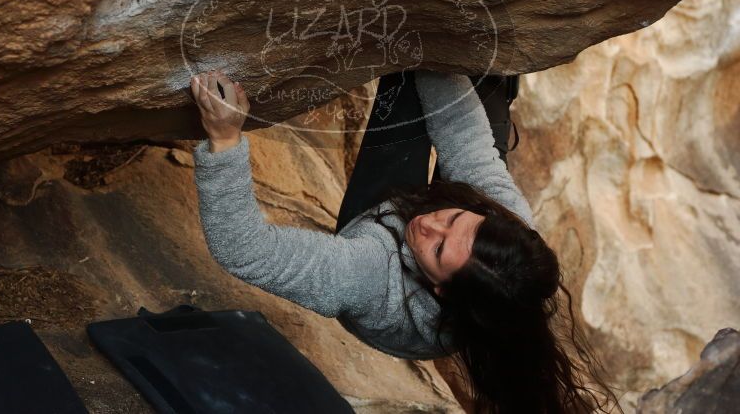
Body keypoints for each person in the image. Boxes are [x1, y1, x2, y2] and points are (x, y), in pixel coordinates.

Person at [189, 68, 620, 414]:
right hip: (470, 273)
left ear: (440, 288)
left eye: (437, 248)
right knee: (474, 81)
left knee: (406, 98)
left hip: (382, 251)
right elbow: (466, 142)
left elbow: (244, 249)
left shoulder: (368, 277)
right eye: (453, 219)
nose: (429, 225)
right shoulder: (508, 235)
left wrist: (225, 140)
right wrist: (430, 40)